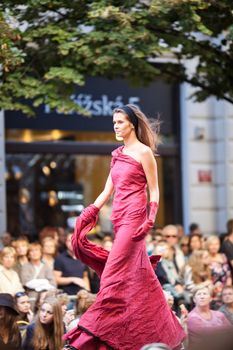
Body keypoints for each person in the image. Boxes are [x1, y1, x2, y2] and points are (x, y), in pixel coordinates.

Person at [63, 105, 185, 349]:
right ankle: (157, 333)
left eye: (119, 122)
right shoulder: (117, 154)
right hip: (119, 219)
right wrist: (87, 214)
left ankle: (88, 334)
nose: (116, 126)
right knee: (137, 279)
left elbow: (154, 189)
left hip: (135, 219)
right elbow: (107, 191)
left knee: (112, 276)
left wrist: (151, 218)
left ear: (132, 124)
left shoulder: (144, 153)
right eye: (114, 122)